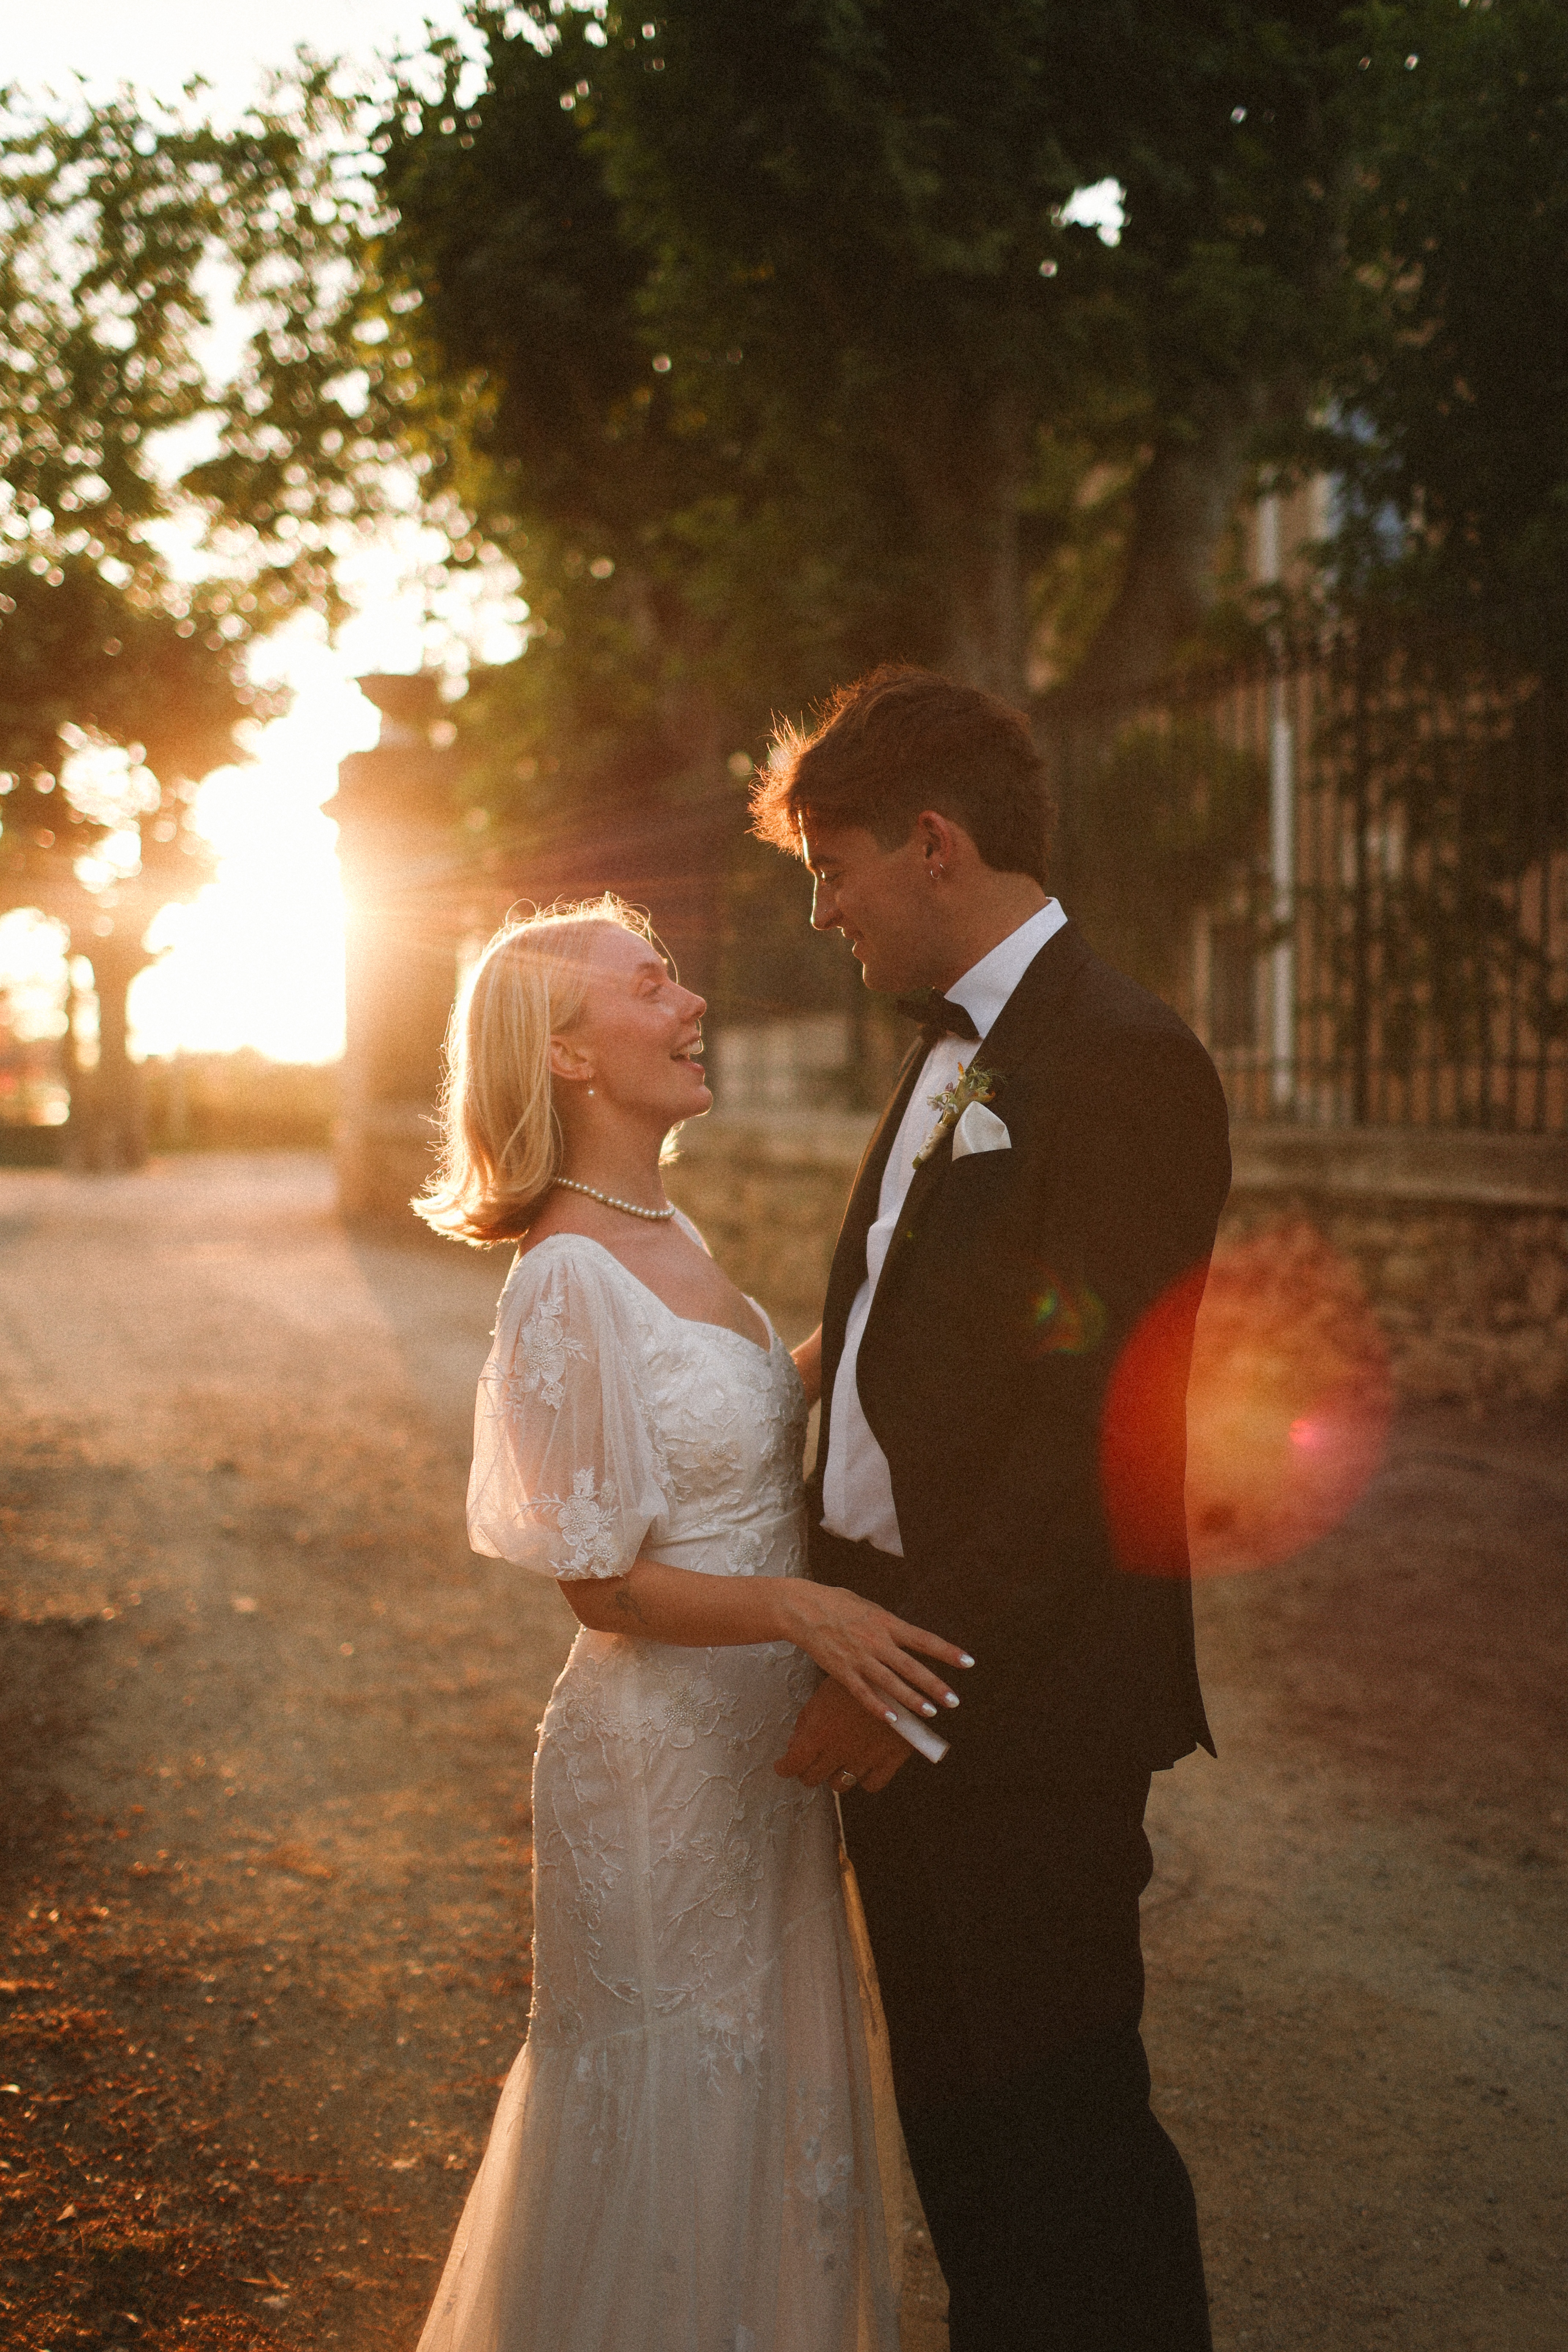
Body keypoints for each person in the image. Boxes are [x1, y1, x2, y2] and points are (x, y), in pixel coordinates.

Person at [409, 894, 968, 2352]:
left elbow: (738, 1413)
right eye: (652, 985)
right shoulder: (561, 1275)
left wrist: (895, 1296)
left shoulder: (662, 1228)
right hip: (656, 1769)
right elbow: (601, 1584)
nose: (693, 1003)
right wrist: (802, 1605)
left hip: (755, 1758)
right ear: (569, 1053)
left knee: (769, 2108)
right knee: (674, 2114)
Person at [752, 666, 1233, 2352]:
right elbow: (903, 1334)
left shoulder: (1124, 1060)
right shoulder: (950, 1053)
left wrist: (899, 1676)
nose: (822, 913)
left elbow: (1087, 1432)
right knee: (960, 2144)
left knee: (1067, 2146)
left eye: (833, 871)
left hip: (1014, 1703)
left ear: (933, 845)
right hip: (890, 1653)